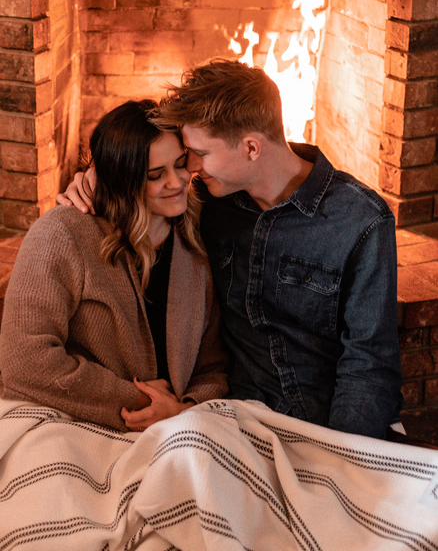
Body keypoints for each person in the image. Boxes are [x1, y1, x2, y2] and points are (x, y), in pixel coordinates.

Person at [58, 59, 403, 440]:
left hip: (321, 426)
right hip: (230, 419)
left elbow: (369, 364)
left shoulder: (360, 221)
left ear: (251, 147)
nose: (189, 166)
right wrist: (98, 178)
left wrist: (343, 460)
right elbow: (138, 164)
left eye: (198, 153)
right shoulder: (206, 201)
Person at [0, 99, 228, 432]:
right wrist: (140, 403)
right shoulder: (62, 233)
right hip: (72, 423)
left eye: (180, 164)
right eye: (154, 175)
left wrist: (183, 410)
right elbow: (25, 361)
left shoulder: (194, 248)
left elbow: (213, 369)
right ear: (122, 181)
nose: (177, 182)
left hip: (177, 428)